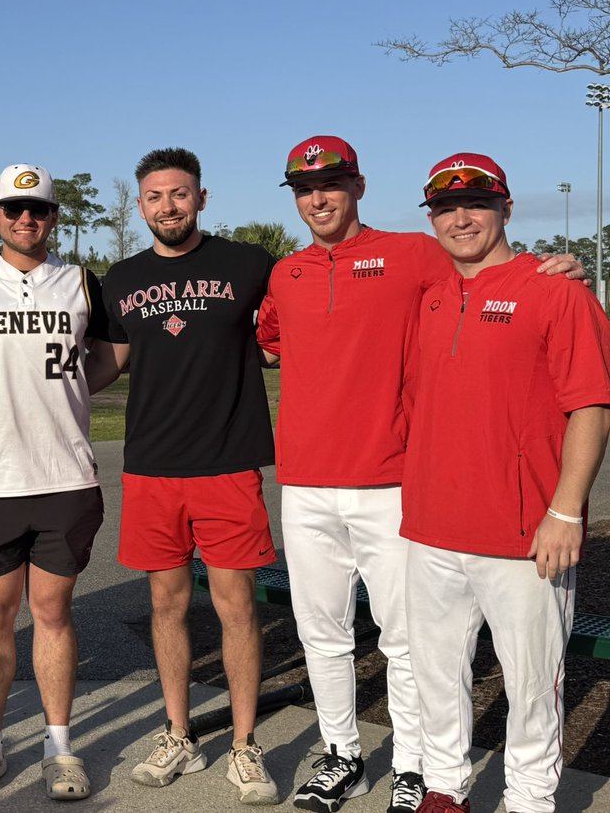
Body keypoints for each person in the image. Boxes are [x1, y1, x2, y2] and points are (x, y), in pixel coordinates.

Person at [254, 137, 588, 813]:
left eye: (334, 183)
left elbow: (499, 277)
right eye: (304, 189)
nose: (318, 198)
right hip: (321, 487)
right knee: (327, 634)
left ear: (360, 186)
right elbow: (267, 341)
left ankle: (417, 769)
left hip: (394, 486)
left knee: (416, 645)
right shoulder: (285, 275)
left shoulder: (419, 256)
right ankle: (348, 754)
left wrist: (562, 265)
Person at [402, 153, 610, 813]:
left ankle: (528, 801)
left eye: (477, 205)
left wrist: (568, 511)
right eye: (444, 208)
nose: (461, 218)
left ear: (507, 210)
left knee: (532, 686)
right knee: (436, 675)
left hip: (524, 536)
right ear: (431, 218)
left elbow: (592, 407)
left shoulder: (557, 290)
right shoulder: (431, 295)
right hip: (432, 528)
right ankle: (443, 789)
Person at [98, 147, 280, 805]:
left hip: (228, 465)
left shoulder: (248, 265)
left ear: (201, 198)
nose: (167, 206)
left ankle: (243, 744)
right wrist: (28, 366)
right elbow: (106, 364)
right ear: (140, 204)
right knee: (166, 607)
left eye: (179, 194)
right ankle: (179, 733)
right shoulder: (119, 279)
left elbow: (307, 312)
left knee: (236, 610)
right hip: (152, 468)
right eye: (154, 196)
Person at [0, 164, 116, 801]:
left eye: (37, 209)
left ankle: (59, 746)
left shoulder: (81, 282)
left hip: (63, 473)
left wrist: (69, 392)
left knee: (53, 612)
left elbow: (114, 350)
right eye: (13, 210)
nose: (25, 220)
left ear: (53, 218)